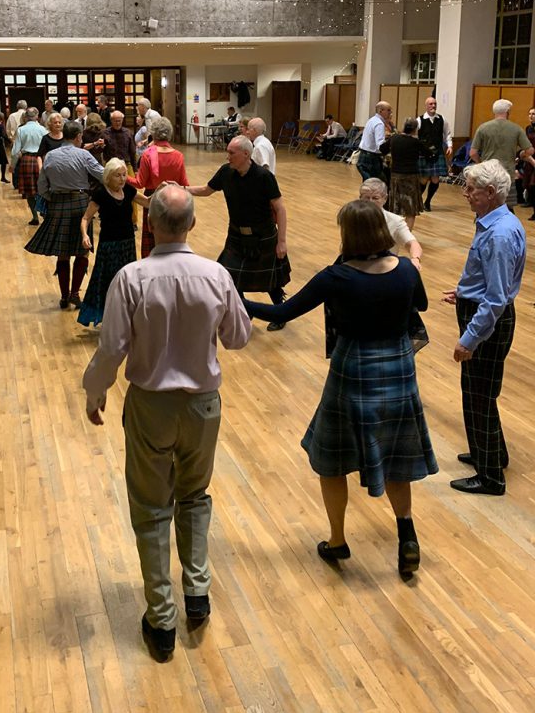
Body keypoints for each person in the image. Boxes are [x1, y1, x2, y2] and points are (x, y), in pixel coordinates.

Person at [82, 185, 251, 661]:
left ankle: (161, 621)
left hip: (149, 405)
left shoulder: (131, 278)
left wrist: (94, 392)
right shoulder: (215, 275)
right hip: (203, 405)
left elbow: (111, 347)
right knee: (195, 497)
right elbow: (238, 337)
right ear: (193, 225)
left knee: (152, 509)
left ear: (149, 224)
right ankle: (196, 593)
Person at [244, 200, 437, 577]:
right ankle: (407, 533)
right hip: (399, 369)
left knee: (330, 458)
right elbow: (423, 305)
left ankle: (337, 541)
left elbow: (283, 313)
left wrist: (236, 299)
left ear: (349, 234)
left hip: (354, 371)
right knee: (397, 457)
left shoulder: (336, 277)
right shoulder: (406, 273)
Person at [442, 160, 526, 496]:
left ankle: (490, 476)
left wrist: (468, 339)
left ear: (490, 193)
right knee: (479, 392)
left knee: (479, 396)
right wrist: (463, 292)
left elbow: (495, 299)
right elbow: (488, 283)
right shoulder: (496, 222)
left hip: (487, 322)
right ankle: (490, 452)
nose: (465, 194)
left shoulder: (500, 234)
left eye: (471, 189)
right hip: (482, 311)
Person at [189, 135, 289, 331]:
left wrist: (282, 241)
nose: (228, 157)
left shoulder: (263, 176)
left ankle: (280, 312)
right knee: (228, 275)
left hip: (263, 236)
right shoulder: (226, 172)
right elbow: (206, 190)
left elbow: (280, 209)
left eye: (231, 153)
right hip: (236, 234)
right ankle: (245, 309)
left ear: (246, 154)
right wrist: (182, 189)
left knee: (271, 282)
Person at [25, 121, 105, 308]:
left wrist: (51, 199)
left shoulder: (50, 156)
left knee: (63, 253)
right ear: (78, 136)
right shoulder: (84, 154)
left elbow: (42, 186)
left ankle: (63, 296)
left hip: (57, 203)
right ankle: (75, 294)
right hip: (80, 204)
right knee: (82, 250)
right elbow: (102, 175)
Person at [77, 159, 148, 328]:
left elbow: (148, 202)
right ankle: (108, 315)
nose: (123, 178)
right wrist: (84, 235)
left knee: (128, 281)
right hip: (109, 245)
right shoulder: (101, 194)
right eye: (118, 175)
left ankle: (126, 316)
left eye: (124, 175)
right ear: (109, 176)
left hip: (127, 244)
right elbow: (86, 218)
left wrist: (162, 191)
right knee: (108, 281)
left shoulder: (129, 191)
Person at [130, 116, 188, 257]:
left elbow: (139, 183)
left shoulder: (147, 155)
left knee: (151, 242)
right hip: (173, 199)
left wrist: (124, 177)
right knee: (171, 239)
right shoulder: (178, 156)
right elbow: (185, 185)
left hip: (153, 198)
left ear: (153, 134)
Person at [470, 99, 533, 210]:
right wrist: (522, 155)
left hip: (487, 174)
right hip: (507, 175)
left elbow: (473, 153)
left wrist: (481, 164)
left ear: (494, 112)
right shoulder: (516, 129)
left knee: (485, 207)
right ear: (507, 112)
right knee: (507, 209)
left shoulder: (483, 128)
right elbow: (530, 151)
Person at [359, 178, 422, 269]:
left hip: (385, 269)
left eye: (375, 198)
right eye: (366, 197)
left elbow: (412, 244)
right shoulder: (353, 217)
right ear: (360, 198)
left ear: (385, 198)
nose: (370, 202)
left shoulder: (395, 221)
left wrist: (415, 259)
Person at [380, 117, 430, 230]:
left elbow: (382, 149)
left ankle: (393, 232)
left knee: (395, 205)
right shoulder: (416, 142)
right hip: (411, 176)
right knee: (410, 208)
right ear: (415, 129)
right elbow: (428, 153)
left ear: (404, 126)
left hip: (396, 175)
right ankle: (406, 235)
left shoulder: (394, 138)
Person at [11, 107, 44, 224]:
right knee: (43, 189)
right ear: (37, 116)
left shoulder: (21, 130)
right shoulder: (43, 129)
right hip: (41, 160)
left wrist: (13, 165)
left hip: (26, 160)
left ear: (25, 117)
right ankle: (44, 213)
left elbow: (15, 151)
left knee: (30, 192)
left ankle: (35, 217)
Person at [418, 96, 452, 211]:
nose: (433, 106)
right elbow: (415, 136)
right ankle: (417, 200)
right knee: (423, 179)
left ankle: (427, 202)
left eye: (435, 104)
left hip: (438, 152)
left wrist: (450, 146)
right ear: (426, 105)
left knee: (435, 179)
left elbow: (447, 134)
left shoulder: (442, 119)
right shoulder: (419, 120)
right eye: (431, 104)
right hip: (424, 153)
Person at [357, 101, 392, 182]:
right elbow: (380, 145)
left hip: (364, 154)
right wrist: (391, 142)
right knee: (377, 183)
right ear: (381, 111)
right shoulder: (379, 124)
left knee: (368, 183)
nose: (390, 112)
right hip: (371, 157)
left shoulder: (372, 120)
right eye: (388, 110)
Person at [520, 106, 535, 220]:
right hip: (529, 158)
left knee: (533, 184)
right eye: (529, 114)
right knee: (528, 184)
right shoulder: (528, 128)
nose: (531, 116)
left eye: (533, 114)